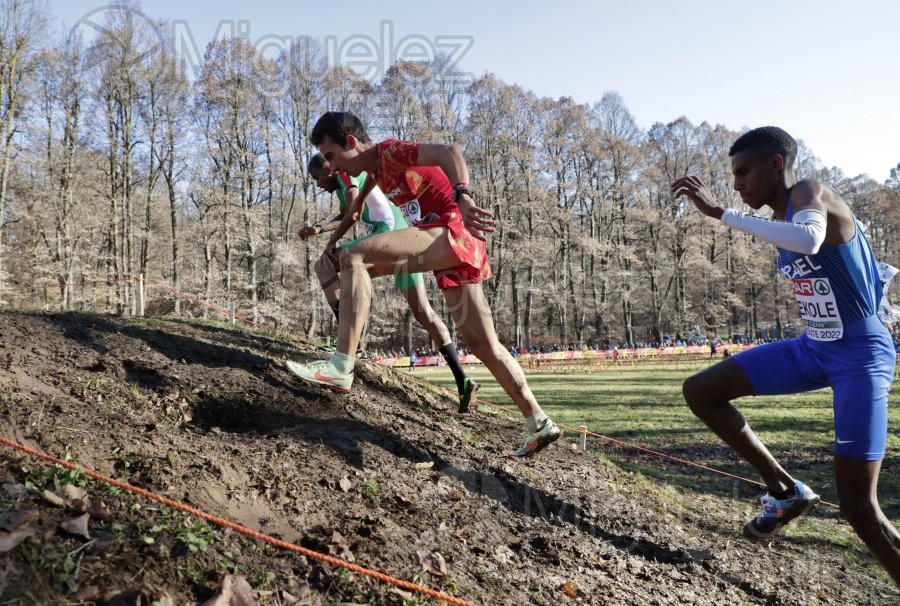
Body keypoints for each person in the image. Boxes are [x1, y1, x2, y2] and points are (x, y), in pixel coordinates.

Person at [673, 126, 899, 584]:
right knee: (701, 391)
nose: (737, 183)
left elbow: (810, 241)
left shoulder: (811, 192)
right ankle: (785, 491)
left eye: (744, 172)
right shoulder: (780, 216)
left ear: (776, 163)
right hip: (813, 348)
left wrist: (722, 213)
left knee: (859, 508)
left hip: (861, 356)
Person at [287, 111, 560, 457]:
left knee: (353, 258)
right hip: (457, 251)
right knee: (484, 344)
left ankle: (342, 365)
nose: (334, 168)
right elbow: (358, 204)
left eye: (332, 157)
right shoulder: (374, 171)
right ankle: (538, 422)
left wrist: (463, 195)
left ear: (352, 143)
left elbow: (450, 152)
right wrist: (332, 234)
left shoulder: (390, 152)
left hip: (454, 232)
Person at [296, 154, 479, 412]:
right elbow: (346, 213)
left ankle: (347, 347)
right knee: (423, 311)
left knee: (324, 265)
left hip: (388, 233)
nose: (317, 184)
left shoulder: (345, 174)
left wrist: (330, 243)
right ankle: (463, 379)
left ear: (329, 167)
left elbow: (353, 213)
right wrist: (319, 229)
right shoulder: (344, 185)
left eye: (317, 177)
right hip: (405, 238)